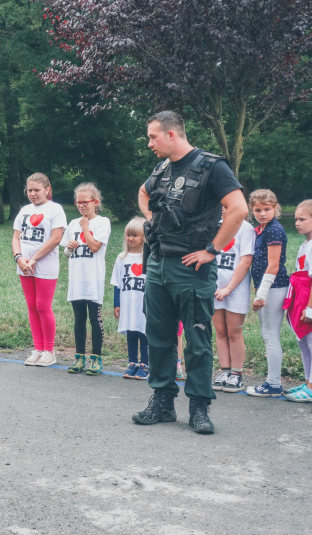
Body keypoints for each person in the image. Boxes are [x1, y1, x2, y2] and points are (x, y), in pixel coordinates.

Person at [133, 110, 247, 435]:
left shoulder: (212, 166)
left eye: (153, 136)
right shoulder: (161, 169)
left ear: (172, 134)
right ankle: (163, 401)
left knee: (197, 339)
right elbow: (143, 194)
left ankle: (199, 406)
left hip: (192, 267)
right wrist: (155, 218)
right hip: (158, 263)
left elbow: (239, 208)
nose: (149, 143)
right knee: (158, 335)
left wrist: (212, 249)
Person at [12, 173, 67, 367]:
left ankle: (49, 351)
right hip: (25, 267)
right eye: (30, 190)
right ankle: (37, 348)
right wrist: (19, 258)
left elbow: (56, 238)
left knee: (43, 307)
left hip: (45, 266)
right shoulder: (25, 210)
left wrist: (34, 258)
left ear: (47, 189)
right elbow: (16, 237)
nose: (33, 194)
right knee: (32, 307)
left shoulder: (55, 209)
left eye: (37, 190)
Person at [60, 183, 111, 375]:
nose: (81, 206)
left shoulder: (102, 222)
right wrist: (69, 247)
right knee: (79, 319)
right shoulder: (73, 224)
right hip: (77, 279)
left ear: (95, 202)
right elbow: (66, 252)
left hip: (93, 280)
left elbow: (95, 247)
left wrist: (86, 227)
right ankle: (79, 357)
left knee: (94, 319)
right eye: (77, 202)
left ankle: (96, 359)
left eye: (85, 202)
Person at [245, 189, 290, 397]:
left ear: (275, 208)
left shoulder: (274, 230)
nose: (262, 213)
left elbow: (272, 266)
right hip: (267, 287)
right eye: (257, 209)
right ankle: (272, 382)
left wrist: (260, 294)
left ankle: (273, 384)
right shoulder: (261, 229)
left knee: (270, 335)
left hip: (274, 287)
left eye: (267, 209)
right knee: (267, 334)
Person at [211, 206, 255, 393]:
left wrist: (229, 288)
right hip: (214, 287)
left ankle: (237, 375)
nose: (222, 209)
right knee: (220, 332)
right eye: (219, 205)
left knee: (234, 332)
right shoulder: (212, 226)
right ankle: (225, 371)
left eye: (227, 206)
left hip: (235, 289)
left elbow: (245, 261)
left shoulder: (245, 228)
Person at [112, 217, 149, 380]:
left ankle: (145, 364)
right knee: (131, 331)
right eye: (128, 235)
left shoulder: (148, 257)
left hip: (143, 303)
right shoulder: (122, 258)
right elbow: (117, 283)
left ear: (144, 237)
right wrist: (116, 304)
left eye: (135, 235)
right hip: (127, 302)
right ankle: (132, 362)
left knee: (144, 331)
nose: (131, 239)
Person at [284, 199, 312, 401]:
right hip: (300, 296)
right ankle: (308, 381)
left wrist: (310, 308)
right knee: (303, 342)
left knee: (311, 342)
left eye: (302, 219)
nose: (297, 223)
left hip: (308, 299)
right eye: (296, 219)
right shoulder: (305, 244)